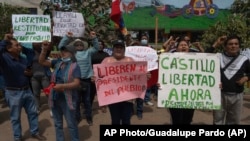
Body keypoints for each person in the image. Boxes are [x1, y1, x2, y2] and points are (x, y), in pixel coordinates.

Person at [0, 33, 46, 141]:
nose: (19, 47)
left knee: (33, 112)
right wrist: (4, 40)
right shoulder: (4, 59)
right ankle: (17, 137)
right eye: (17, 45)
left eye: (19, 45)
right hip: (13, 93)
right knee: (15, 117)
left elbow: (29, 71)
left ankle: (34, 132)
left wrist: (29, 73)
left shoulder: (23, 59)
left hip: (27, 90)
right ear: (9, 48)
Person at [39, 40, 81, 141]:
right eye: (62, 50)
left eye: (65, 51)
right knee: (58, 124)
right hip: (55, 97)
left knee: (71, 124)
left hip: (68, 98)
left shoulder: (75, 66)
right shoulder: (58, 62)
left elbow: (76, 83)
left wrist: (62, 86)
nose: (63, 52)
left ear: (71, 53)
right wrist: (44, 50)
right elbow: (42, 61)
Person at [206, 35, 250, 125]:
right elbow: (205, 57)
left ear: (239, 46)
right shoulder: (218, 57)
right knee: (217, 121)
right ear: (225, 47)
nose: (233, 46)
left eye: (236, 44)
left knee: (234, 122)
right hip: (220, 95)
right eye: (230, 44)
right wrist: (216, 43)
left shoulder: (244, 59)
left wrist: (245, 78)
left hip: (237, 95)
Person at [58, 31, 99, 126]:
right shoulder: (72, 54)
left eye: (81, 44)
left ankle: (89, 117)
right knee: (76, 101)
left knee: (87, 101)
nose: (79, 45)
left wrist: (94, 38)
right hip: (75, 81)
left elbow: (96, 47)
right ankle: (77, 117)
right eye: (77, 44)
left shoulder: (88, 52)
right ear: (74, 46)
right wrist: (67, 37)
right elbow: (61, 47)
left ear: (84, 45)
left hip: (87, 80)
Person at [168, 38, 204, 125]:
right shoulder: (170, 59)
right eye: (181, 45)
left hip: (190, 96)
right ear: (176, 49)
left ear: (189, 48)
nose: (183, 46)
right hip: (175, 95)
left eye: (185, 45)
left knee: (187, 119)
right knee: (176, 119)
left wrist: (200, 48)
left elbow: (205, 60)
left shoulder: (195, 59)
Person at [100, 39, 135, 125]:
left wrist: (145, 75)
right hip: (112, 97)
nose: (118, 49)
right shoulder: (106, 61)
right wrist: (95, 78)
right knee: (115, 121)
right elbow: (100, 79)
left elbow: (138, 76)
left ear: (124, 49)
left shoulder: (130, 60)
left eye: (121, 47)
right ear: (113, 49)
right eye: (116, 47)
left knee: (126, 121)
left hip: (128, 98)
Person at [30, 42, 52, 115]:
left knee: (48, 93)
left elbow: (50, 44)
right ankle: (37, 107)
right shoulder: (30, 52)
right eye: (34, 42)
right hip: (34, 77)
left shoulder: (45, 51)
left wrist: (50, 34)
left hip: (44, 76)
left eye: (37, 42)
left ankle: (52, 108)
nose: (35, 43)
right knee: (36, 94)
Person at [90, 39, 110, 113]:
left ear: (103, 46)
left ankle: (103, 106)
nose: (100, 45)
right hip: (94, 75)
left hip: (103, 76)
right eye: (98, 44)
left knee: (102, 91)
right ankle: (89, 106)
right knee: (92, 92)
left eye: (101, 44)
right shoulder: (92, 54)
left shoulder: (106, 55)